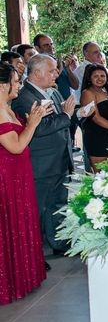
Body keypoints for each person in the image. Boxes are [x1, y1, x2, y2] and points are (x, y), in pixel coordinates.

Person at [11, 55, 77, 256]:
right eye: (52, 70)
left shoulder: (54, 93)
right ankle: (34, 254)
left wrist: (76, 114)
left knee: (57, 204)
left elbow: (62, 118)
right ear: (37, 72)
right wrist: (66, 115)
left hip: (59, 158)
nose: (56, 74)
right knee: (38, 210)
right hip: (42, 162)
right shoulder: (24, 98)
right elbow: (38, 129)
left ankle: (58, 243)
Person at [0, 62, 48, 304]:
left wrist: (30, 123)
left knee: (22, 221)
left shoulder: (7, 107)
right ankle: (10, 282)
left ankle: (25, 277)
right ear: (3, 85)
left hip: (20, 174)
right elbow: (16, 146)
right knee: (10, 225)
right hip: (6, 179)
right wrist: (32, 124)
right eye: (15, 80)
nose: (18, 84)